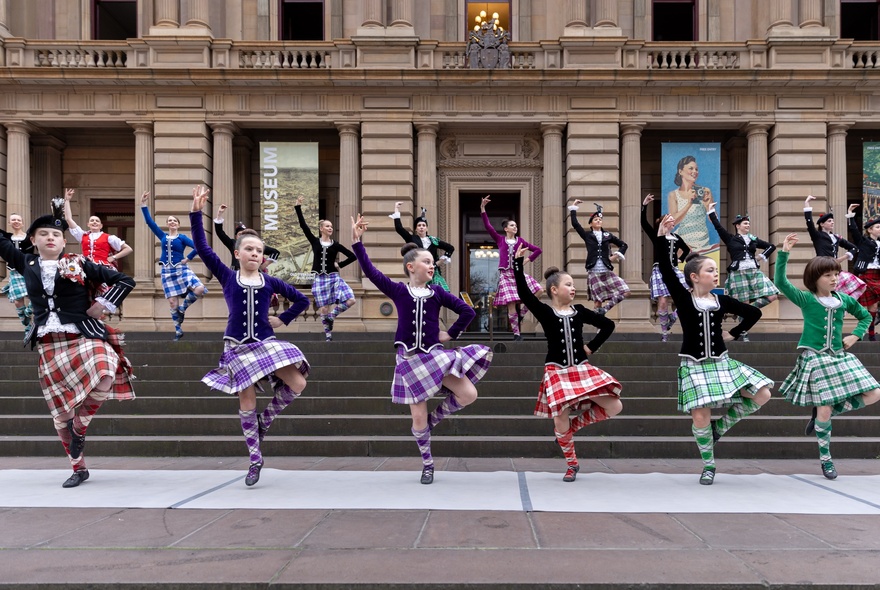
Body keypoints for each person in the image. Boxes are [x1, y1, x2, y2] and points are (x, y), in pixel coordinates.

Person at [0, 197, 136, 488]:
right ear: (33, 241)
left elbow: (124, 280)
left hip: (82, 336)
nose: (51, 238)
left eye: (56, 235)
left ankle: (80, 426)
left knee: (105, 369)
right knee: (60, 416)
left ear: (64, 242)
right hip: (49, 344)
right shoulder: (26, 262)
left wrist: (102, 305)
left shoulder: (79, 263)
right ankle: (78, 467)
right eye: (44, 234)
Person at [351, 213, 492, 484]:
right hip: (409, 359)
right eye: (426, 261)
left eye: (432, 262)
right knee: (416, 417)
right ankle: (428, 464)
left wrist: (449, 333)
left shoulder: (437, 292)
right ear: (410, 267)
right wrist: (357, 242)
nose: (432, 265)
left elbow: (466, 311)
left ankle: (435, 418)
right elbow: (370, 271)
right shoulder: (398, 291)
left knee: (469, 393)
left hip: (435, 355)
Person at [190, 186, 311, 487]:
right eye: (249, 250)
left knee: (298, 381)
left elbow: (302, 300)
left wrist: (282, 319)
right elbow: (204, 250)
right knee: (246, 399)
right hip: (237, 346)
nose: (255, 254)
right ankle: (255, 459)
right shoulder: (228, 276)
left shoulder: (270, 281)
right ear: (237, 253)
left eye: (259, 250)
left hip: (266, 343)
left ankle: (264, 421)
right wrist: (196, 214)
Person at [655, 214, 772, 485]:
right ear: (694, 277)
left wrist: (733, 333)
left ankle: (720, 428)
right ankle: (709, 465)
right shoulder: (684, 298)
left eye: (716, 269)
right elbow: (664, 268)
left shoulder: (721, 300)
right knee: (700, 415)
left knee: (763, 393)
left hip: (722, 361)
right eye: (710, 270)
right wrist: (662, 237)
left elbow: (753, 312)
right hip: (694, 363)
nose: (715, 272)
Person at [775, 233, 880, 480]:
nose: (834, 278)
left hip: (839, 356)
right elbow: (781, 282)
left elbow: (865, 316)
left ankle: (828, 412)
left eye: (836, 274)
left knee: (874, 393)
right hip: (815, 357)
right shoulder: (806, 299)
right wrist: (784, 252)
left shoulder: (843, 300)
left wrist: (855, 336)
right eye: (828, 275)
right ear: (815, 278)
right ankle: (826, 460)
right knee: (823, 406)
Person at [513, 246, 622, 482]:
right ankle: (572, 464)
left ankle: (570, 430)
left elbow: (608, 326)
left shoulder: (580, 311)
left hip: (581, 369)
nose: (573, 288)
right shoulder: (545, 312)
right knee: (559, 417)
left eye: (573, 285)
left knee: (615, 406)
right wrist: (518, 265)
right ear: (554, 290)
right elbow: (524, 293)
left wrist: (591, 347)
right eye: (568, 284)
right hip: (556, 371)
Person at [140, 191, 206, 341]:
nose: (171, 222)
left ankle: (182, 309)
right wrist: (143, 204)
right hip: (167, 271)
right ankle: (178, 330)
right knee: (172, 301)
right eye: (169, 220)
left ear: (178, 224)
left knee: (199, 288)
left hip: (180, 268)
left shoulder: (182, 237)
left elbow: (198, 246)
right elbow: (150, 222)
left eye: (174, 221)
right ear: (167, 224)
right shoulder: (162, 236)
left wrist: (188, 258)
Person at [707, 204, 779, 342]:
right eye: (745, 223)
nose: (748, 226)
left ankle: (749, 310)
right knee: (743, 302)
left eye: (748, 224)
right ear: (737, 226)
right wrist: (711, 212)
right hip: (738, 272)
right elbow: (718, 227)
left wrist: (761, 256)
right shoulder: (730, 239)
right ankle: (743, 332)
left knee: (772, 296)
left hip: (753, 271)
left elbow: (771, 246)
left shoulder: (753, 239)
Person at [62, 188, 133, 317]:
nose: (94, 222)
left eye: (97, 221)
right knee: (86, 293)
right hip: (87, 267)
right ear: (88, 224)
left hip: (102, 267)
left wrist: (113, 258)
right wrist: (67, 200)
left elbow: (128, 249)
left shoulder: (108, 237)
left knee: (103, 294)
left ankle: (101, 316)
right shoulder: (83, 235)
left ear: (101, 225)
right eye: (92, 221)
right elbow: (68, 219)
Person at [480, 195, 542, 340]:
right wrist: (483, 208)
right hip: (506, 275)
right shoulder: (500, 239)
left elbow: (538, 250)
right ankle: (516, 334)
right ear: (506, 228)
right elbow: (488, 226)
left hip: (518, 273)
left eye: (516, 225)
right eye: (512, 225)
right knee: (511, 304)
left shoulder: (521, 241)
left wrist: (526, 261)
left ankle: (522, 314)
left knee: (539, 290)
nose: (515, 227)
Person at [296, 195, 357, 341]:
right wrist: (298, 207)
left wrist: (339, 265)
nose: (330, 228)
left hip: (333, 277)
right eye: (327, 226)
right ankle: (328, 335)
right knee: (323, 308)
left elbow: (353, 256)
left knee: (351, 300)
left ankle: (332, 315)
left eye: (331, 226)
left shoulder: (335, 244)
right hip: (319, 278)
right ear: (321, 228)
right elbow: (303, 226)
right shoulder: (315, 242)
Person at [642, 193, 690, 341]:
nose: (672, 221)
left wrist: (679, 259)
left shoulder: (676, 237)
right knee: (663, 302)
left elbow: (687, 250)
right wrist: (644, 206)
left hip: (674, 270)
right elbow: (644, 223)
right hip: (660, 270)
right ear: (663, 222)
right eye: (669, 219)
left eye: (672, 219)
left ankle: (672, 317)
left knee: (689, 292)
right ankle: (664, 334)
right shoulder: (657, 236)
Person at [569, 200, 630, 315]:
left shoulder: (608, 235)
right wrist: (573, 208)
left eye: (600, 219)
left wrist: (616, 255)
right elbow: (575, 225)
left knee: (626, 291)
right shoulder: (587, 235)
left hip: (606, 271)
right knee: (597, 301)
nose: (598, 221)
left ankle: (605, 310)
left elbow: (623, 245)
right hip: (594, 271)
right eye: (595, 219)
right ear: (591, 224)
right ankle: (599, 325)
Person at [803, 196, 865, 300]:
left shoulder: (836, 237)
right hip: (822, 267)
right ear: (822, 224)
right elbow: (809, 223)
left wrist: (844, 257)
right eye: (829, 221)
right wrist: (807, 204)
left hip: (835, 268)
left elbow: (854, 248)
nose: (832, 222)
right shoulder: (817, 236)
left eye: (832, 221)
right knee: (827, 292)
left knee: (860, 285)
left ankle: (843, 305)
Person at [391, 202, 455, 292]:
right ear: (416, 229)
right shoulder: (411, 238)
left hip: (432, 272)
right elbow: (399, 228)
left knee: (440, 293)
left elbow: (450, 248)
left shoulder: (434, 240)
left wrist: (439, 262)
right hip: (419, 271)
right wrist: (396, 209)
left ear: (427, 228)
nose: (421, 227)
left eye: (423, 225)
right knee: (421, 293)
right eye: (419, 225)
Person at [846, 204, 880, 341]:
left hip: (878, 275)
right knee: (867, 307)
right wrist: (850, 214)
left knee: (874, 306)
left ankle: (870, 332)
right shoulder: (863, 241)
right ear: (870, 230)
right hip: (866, 274)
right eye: (878, 227)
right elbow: (854, 230)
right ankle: (864, 333)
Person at [667, 155, 714, 253]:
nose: (695, 172)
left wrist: (708, 206)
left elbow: (714, 220)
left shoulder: (704, 191)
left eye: (696, 169)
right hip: (683, 241)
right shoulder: (673, 195)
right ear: (680, 171)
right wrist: (689, 203)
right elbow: (674, 221)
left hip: (702, 242)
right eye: (691, 168)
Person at [213, 203, 280, 271]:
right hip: (236, 274)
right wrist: (219, 215)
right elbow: (220, 232)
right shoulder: (234, 244)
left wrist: (263, 266)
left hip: (252, 275)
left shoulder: (255, 244)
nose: (242, 236)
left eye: (244, 234)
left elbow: (275, 252)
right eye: (240, 234)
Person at [0, 212, 33, 331]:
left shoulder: (30, 237)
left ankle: (28, 314)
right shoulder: (7, 238)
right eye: (13, 220)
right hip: (14, 272)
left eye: (18, 220)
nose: (16, 222)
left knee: (34, 296)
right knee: (18, 301)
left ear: (23, 223)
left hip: (28, 270)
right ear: (9, 223)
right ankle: (27, 324)